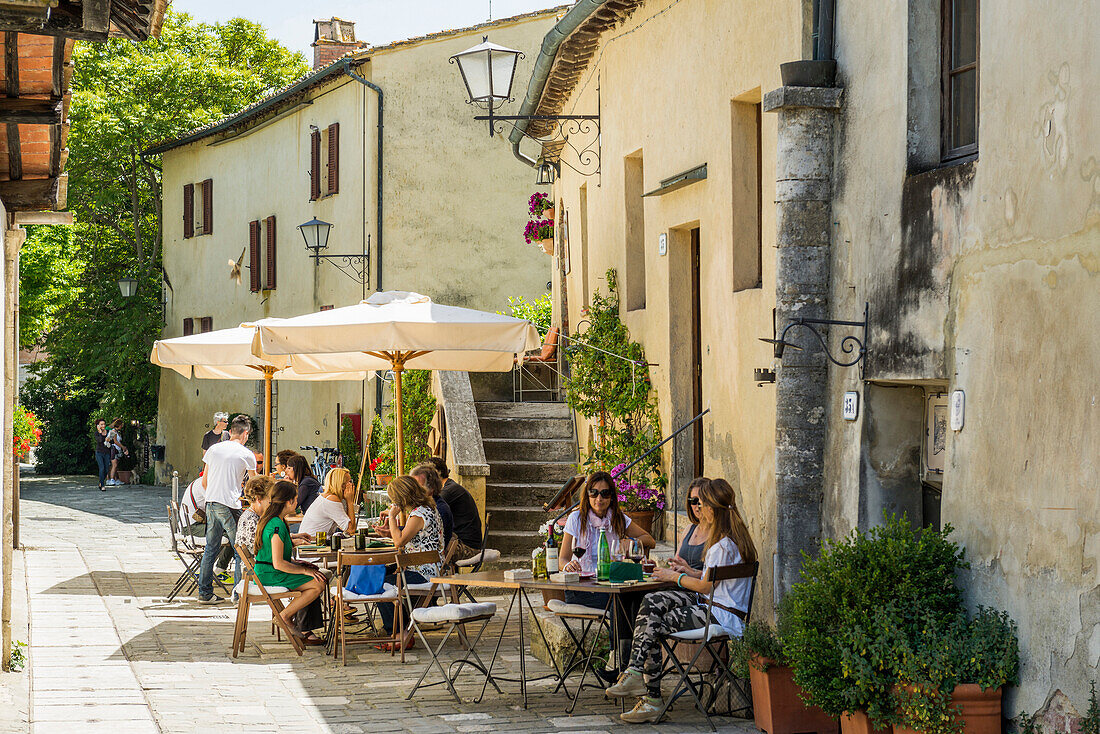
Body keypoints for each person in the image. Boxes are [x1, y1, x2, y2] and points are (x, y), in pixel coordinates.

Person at [605, 478, 758, 724]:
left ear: (712, 508)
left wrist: (674, 577)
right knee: (653, 604)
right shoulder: (735, 541)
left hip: (716, 614)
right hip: (725, 612)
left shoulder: (720, 546)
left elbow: (705, 586)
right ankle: (637, 678)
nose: (698, 508)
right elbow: (712, 581)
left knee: (652, 622)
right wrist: (686, 572)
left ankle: (650, 695)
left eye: (702, 503)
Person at [558, 471, 656, 676]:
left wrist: (632, 543)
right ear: (587, 495)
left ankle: (629, 665)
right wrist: (568, 567)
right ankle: (621, 664)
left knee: (634, 599)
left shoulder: (619, 519)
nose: (599, 499)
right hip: (581, 588)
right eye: (593, 493)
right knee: (620, 601)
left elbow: (650, 540)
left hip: (610, 584)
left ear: (612, 496)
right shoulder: (576, 518)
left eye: (604, 493)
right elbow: (563, 559)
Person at [253, 480, 326, 645]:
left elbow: (275, 549)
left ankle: (300, 622)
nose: (298, 502)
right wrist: (304, 571)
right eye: (296, 498)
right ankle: (285, 616)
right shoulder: (277, 524)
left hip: (268, 571)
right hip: (271, 574)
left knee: (317, 578)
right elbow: (279, 563)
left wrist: (294, 540)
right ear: (289, 501)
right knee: (317, 584)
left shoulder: (274, 520)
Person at [374, 476, 444, 647]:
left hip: (425, 572)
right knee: (380, 577)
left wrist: (392, 517)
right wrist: (390, 533)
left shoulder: (419, 514)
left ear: (401, 498)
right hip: (423, 567)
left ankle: (401, 633)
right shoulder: (426, 509)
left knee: (379, 585)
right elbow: (412, 537)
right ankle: (403, 629)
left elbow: (399, 542)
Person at [196, 415, 257, 604]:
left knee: (211, 549)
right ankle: (239, 595)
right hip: (230, 504)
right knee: (240, 549)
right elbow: (255, 484)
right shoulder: (247, 454)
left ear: (230, 432)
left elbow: (205, 481)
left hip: (211, 502)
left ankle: (204, 593)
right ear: (246, 434)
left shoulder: (213, 449)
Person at [428, 456, 482, 561]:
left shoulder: (448, 491)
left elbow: (426, 513)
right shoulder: (449, 487)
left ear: (436, 473)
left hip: (467, 547)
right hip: (460, 541)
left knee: (426, 551)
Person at [668, 477, 711, 577]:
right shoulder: (689, 529)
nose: (698, 506)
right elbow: (675, 564)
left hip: (696, 590)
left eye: (702, 500)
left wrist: (690, 571)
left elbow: (712, 578)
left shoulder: (718, 535)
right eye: (694, 501)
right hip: (678, 585)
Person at [299, 467, 357, 537]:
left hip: (312, 540)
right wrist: (350, 501)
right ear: (341, 485)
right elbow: (350, 530)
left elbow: (345, 525)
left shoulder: (329, 497)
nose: (352, 485)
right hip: (311, 543)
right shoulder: (331, 500)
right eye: (350, 482)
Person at [410, 463, 453, 549]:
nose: (414, 491)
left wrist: (393, 521)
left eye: (419, 487)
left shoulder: (437, 508)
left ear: (431, 488)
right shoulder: (427, 506)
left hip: (429, 559)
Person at [235, 474, 274, 552]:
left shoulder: (251, 516)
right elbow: (263, 548)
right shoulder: (251, 519)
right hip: (260, 563)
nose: (272, 502)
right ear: (259, 499)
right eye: (270, 498)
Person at [105, 418, 128, 486]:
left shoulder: (117, 432)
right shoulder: (113, 431)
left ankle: (116, 479)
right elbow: (114, 441)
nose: (122, 426)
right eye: (121, 425)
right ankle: (112, 479)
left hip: (116, 449)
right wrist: (122, 446)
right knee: (114, 465)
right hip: (114, 449)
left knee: (116, 466)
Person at [93, 419, 111, 492]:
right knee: (102, 468)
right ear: (98, 426)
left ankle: (101, 482)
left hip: (107, 452)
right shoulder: (96, 433)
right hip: (99, 453)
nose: (103, 426)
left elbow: (112, 441)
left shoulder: (108, 432)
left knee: (106, 469)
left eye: (104, 424)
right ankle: (103, 485)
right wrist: (100, 432)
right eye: (101, 424)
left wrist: (109, 440)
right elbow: (100, 441)